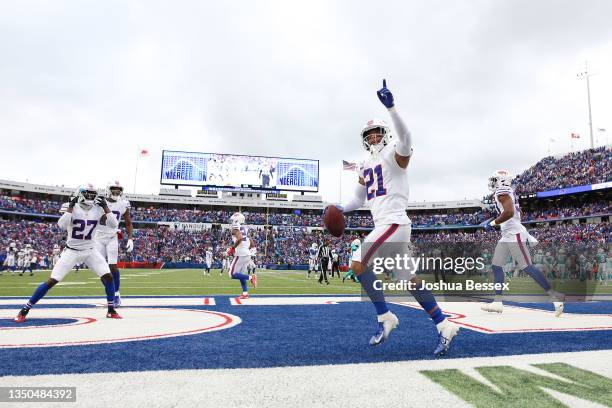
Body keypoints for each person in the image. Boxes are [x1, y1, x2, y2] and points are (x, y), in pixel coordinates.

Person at [333, 79, 459, 355]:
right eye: (369, 135)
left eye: (377, 133)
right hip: (387, 225)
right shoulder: (365, 164)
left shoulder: (394, 152)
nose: (373, 138)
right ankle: (443, 325)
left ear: (385, 134)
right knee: (408, 280)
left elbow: (407, 139)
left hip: (394, 222)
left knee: (357, 262)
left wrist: (392, 108)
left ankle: (385, 317)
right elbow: (358, 199)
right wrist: (340, 208)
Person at [15, 184, 121, 322]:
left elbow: (113, 224)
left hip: (90, 250)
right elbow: (62, 225)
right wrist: (70, 208)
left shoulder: (98, 208)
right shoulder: (71, 206)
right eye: (87, 193)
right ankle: (25, 309)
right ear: (80, 194)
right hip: (72, 251)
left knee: (108, 276)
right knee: (52, 281)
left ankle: (111, 310)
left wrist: (106, 207)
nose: (90, 196)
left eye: (92, 194)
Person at [482, 170, 564, 316]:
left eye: (495, 179)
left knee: (527, 267)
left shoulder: (502, 191)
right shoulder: (508, 191)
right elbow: (515, 212)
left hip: (514, 235)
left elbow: (509, 213)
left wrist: (493, 222)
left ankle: (555, 296)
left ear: (501, 180)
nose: (492, 183)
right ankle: (498, 301)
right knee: (496, 265)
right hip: (507, 234)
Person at [93, 181, 133, 307]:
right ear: (108, 189)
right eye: (113, 189)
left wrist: (130, 238)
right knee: (100, 268)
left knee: (113, 266)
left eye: (118, 189)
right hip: (98, 237)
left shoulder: (123, 204)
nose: (116, 192)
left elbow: (128, 222)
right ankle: (111, 293)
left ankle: (116, 294)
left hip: (112, 237)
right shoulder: (98, 201)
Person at [226, 212, 257, 299]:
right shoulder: (245, 229)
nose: (231, 222)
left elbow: (239, 238)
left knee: (231, 274)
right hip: (247, 254)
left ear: (237, 220)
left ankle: (251, 277)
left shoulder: (235, 229)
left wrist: (233, 248)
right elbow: (252, 243)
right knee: (240, 274)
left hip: (240, 254)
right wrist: (246, 249)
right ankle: (245, 293)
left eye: (232, 220)